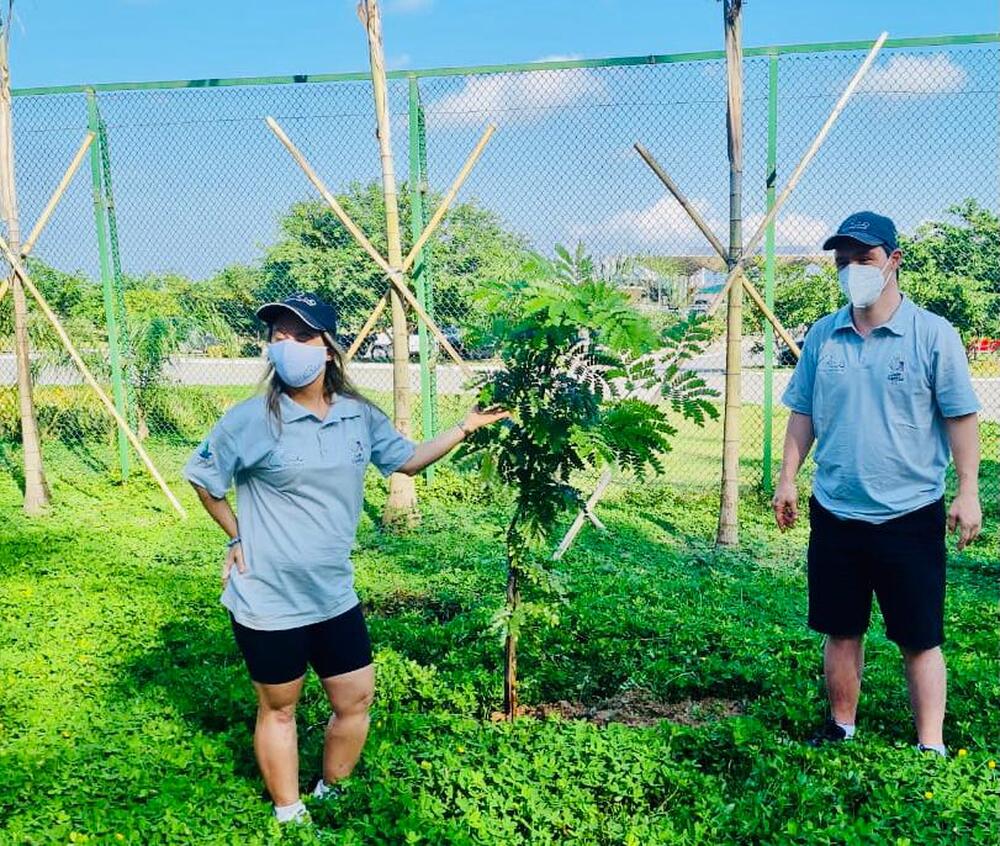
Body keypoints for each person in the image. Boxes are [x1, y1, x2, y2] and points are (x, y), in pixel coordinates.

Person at [184, 292, 507, 824]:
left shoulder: (359, 417)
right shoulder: (249, 421)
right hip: (269, 597)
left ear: (330, 350)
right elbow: (204, 481)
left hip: (333, 593)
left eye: (302, 335)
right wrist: (237, 535)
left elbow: (405, 460)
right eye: (278, 335)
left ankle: (333, 790)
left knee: (355, 699)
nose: (286, 346)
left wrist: (464, 427)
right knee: (279, 707)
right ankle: (289, 812)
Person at [772, 212, 981, 756]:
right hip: (836, 509)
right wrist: (788, 477)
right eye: (843, 263)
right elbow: (803, 413)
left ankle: (930, 744)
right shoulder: (824, 334)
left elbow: (960, 417)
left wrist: (967, 489)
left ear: (893, 261)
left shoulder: (934, 335)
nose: (852, 271)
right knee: (840, 629)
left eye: (863, 259)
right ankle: (841, 725)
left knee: (919, 636)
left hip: (910, 514)